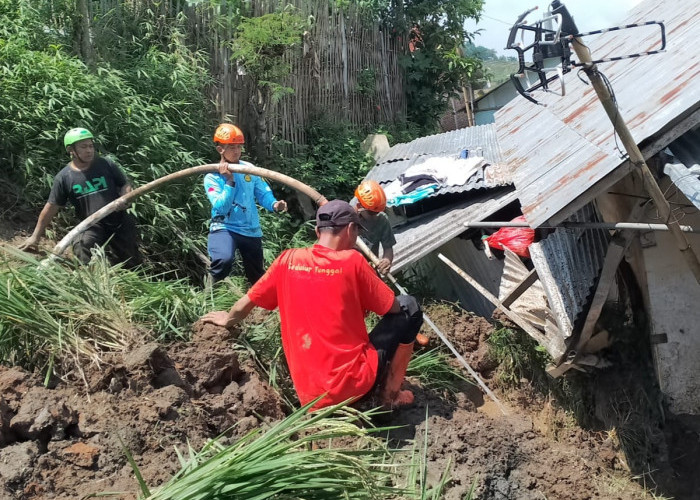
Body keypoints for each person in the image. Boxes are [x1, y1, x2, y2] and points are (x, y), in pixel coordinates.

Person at [201, 199, 423, 410]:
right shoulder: (353, 261)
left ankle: (345, 396)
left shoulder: (287, 260)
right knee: (409, 306)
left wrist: (227, 319)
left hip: (311, 398)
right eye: (356, 233)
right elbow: (393, 308)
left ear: (318, 232)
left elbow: (246, 303)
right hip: (351, 387)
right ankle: (389, 396)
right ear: (350, 230)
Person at [19, 127, 142, 267]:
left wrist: (125, 197)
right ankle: (86, 279)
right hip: (92, 224)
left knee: (130, 261)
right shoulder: (64, 178)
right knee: (82, 244)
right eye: (83, 147)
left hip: (118, 221)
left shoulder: (105, 164)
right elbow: (51, 207)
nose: (89, 150)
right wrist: (35, 237)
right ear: (71, 150)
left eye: (90, 146)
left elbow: (124, 184)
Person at [205, 123, 287, 285]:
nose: (236, 151)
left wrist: (274, 204)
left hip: (250, 228)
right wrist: (229, 181)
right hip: (224, 227)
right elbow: (221, 207)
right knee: (223, 260)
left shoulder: (249, 169)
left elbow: (262, 192)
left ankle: (261, 307)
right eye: (232, 147)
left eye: (239, 147)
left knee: (256, 274)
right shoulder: (211, 177)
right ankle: (208, 297)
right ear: (220, 150)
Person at [354, 180, 396, 275]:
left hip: (371, 271)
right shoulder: (347, 220)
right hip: (352, 271)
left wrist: (386, 260)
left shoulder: (382, 220)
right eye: (372, 212)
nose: (375, 215)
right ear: (359, 206)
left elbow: (388, 248)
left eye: (378, 212)